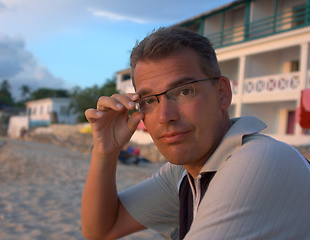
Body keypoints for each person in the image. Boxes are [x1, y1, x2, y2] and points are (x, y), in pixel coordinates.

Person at [81, 27, 310, 239]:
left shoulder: (260, 160)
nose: (164, 116)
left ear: (222, 93)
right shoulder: (183, 174)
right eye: (149, 100)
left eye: (184, 91)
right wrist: (105, 151)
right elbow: (102, 229)